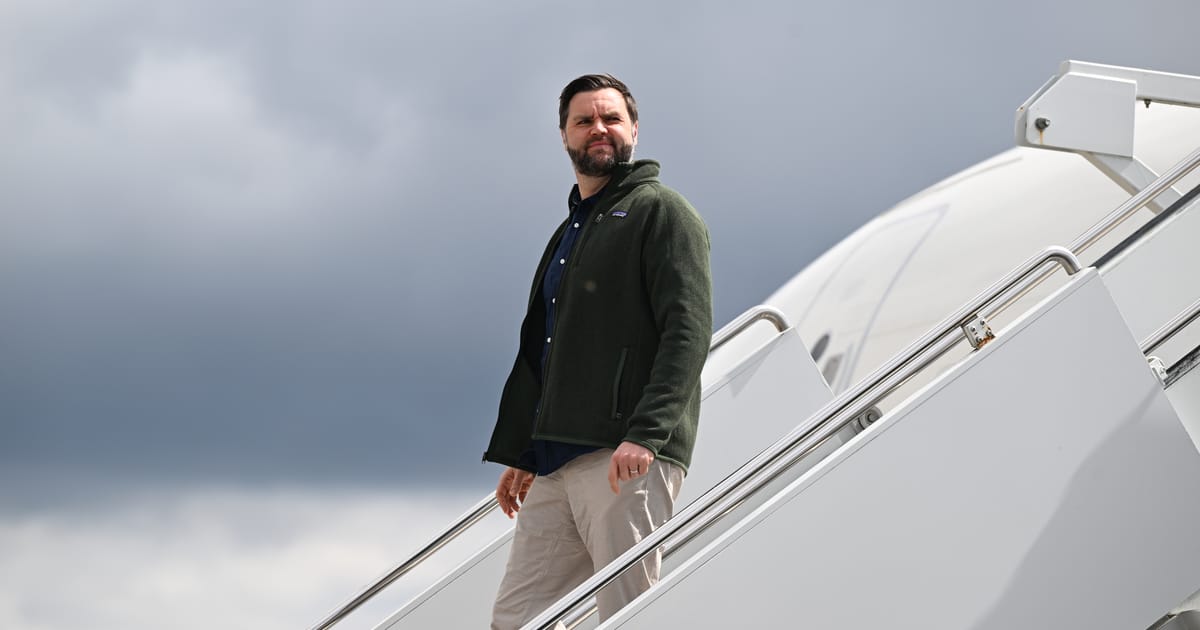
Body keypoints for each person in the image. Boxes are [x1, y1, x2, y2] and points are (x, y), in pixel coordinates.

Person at [482, 73, 713, 629]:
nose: (599, 129)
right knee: (516, 620)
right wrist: (526, 449)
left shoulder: (661, 211)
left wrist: (647, 433)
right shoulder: (568, 233)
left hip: (623, 455)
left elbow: (688, 330)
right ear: (564, 135)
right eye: (584, 120)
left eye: (611, 118)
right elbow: (547, 348)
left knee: (627, 614)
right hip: (555, 461)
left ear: (634, 129)